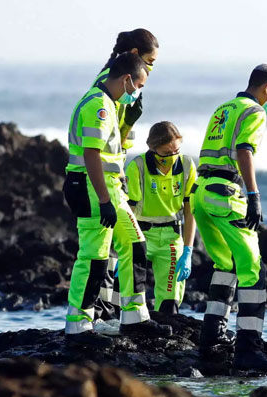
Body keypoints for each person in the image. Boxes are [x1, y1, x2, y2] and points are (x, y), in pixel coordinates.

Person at [62, 52, 170, 343]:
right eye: (139, 85)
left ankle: (134, 318)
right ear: (126, 80)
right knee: (94, 257)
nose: (139, 92)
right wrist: (105, 200)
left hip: (111, 188)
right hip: (92, 186)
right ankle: (78, 326)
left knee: (135, 243)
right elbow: (91, 154)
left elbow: (113, 149)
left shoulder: (110, 104)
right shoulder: (98, 105)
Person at [191, 64, 267, 373]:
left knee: (226, 265)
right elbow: (245, 150)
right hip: (224, 195)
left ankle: (212, 336)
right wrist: (254, 196)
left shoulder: (224, 108)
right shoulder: (254, 111)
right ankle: (248, 347)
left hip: (201, 194)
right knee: (253, 271)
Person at [92, 29, 159, 333]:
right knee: (121, 247)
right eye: (150, 61)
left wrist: (130, 121)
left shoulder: (118, 84)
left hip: (111, 179)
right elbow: (104, 142)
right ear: (133, 56)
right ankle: (116, 316)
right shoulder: (110, 86)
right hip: (105, 183)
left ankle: (106, 314)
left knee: (112, 249)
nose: (152, 68)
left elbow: (120, 141)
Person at [125, 121, 197, 314]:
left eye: (177, 150)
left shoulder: (188, 165)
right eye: (166, 153)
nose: (173, 157)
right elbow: (128, 209)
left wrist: (188, 250)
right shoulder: (137, 166)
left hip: (171, 238)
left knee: (169, 303)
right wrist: (123, 247)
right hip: (140, 235)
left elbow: (190, 211)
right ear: (152, 148)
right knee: (130, 294)